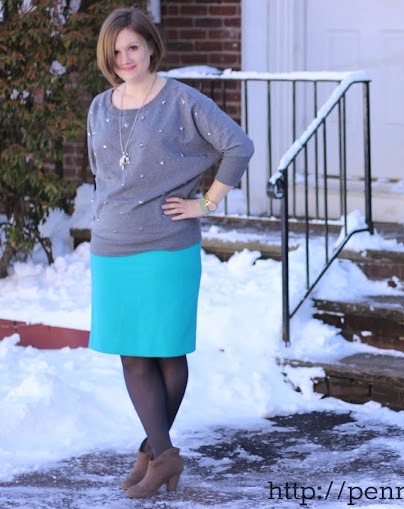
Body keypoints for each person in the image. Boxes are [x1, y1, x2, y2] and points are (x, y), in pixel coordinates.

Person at [86, 7, 254, 499]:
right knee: (132, 355)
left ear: (151, 47)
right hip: (112, 246)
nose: (125, 58)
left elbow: (238, 146)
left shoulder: (182, 100)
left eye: (133, 47)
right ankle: (160, 456)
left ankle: (156, 457)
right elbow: (103, 174)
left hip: (167, 246)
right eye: (116, 51)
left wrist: (205, 203)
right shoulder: (99, 107)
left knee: (167, 352)